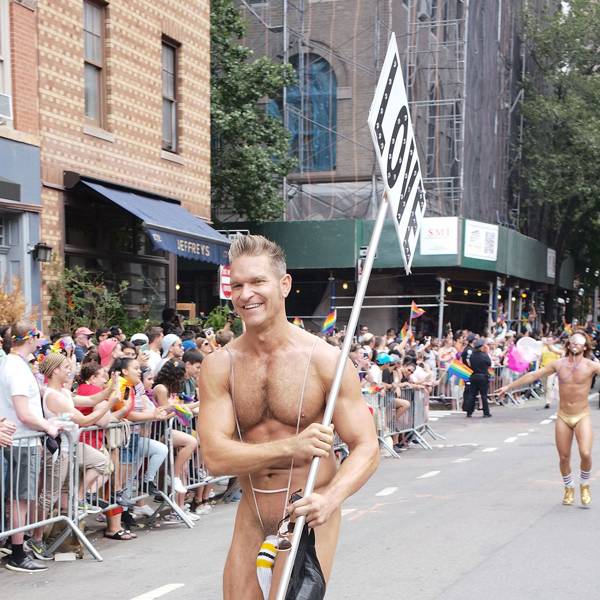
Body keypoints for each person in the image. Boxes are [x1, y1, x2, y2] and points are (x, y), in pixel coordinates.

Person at [199, 235, 379, 599]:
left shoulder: (326, 361)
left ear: (284, 285)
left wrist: (331, 498)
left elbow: (367, 446)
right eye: (237, 285)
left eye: (257, 282)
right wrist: (291, 447)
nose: (246, 294)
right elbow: (215, 457)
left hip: (307, 515)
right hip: (252, 512)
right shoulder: (220, 366)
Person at [498, 331, 600, 507]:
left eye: (579, 342)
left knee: (585, 453)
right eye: (572, 341)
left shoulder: (591, 366)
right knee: (563, 457)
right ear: (568, 344)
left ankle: (584, 484)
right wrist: (509, 387)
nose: (575, 344)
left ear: (585, 346)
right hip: (563, 416)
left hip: (582, 415)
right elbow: (533, 375)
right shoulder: (559, 364)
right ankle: (569, 487)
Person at [0, 322, 62, 572]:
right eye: (38, 336)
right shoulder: (15, 368)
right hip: (20, 440)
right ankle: (17, 552)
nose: (40, 341)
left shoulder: (15, 365)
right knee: (21, 499)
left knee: (20, 498)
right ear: (30, 338)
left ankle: (17, 547)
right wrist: (48, 426)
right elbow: (23, 413)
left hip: (19, 439)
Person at [465, 338, 492, 418]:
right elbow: (489, 363)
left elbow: (470, 364)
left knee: (472, 395)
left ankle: (469, 411)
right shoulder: (484, 355)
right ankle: (486, 412)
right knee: (484, 395)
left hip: (473, 376)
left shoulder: (472, 356)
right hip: (483, 376)